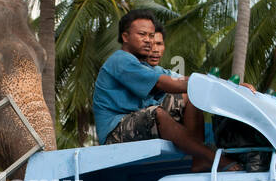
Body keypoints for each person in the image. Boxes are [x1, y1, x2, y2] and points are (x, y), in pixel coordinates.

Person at [94, 9, 232, 171]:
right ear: (125, 37)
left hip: (138, 122)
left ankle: (198, 159)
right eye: (142, 35)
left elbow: (182, 80)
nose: (148, 41)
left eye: (151, 36)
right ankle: (208, 156)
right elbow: (166, 84)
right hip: (114, 133)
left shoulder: (145, 66)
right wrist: (209, 84)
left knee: (189, 95)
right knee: (156, 113)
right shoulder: (120, 60)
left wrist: (227, 85)